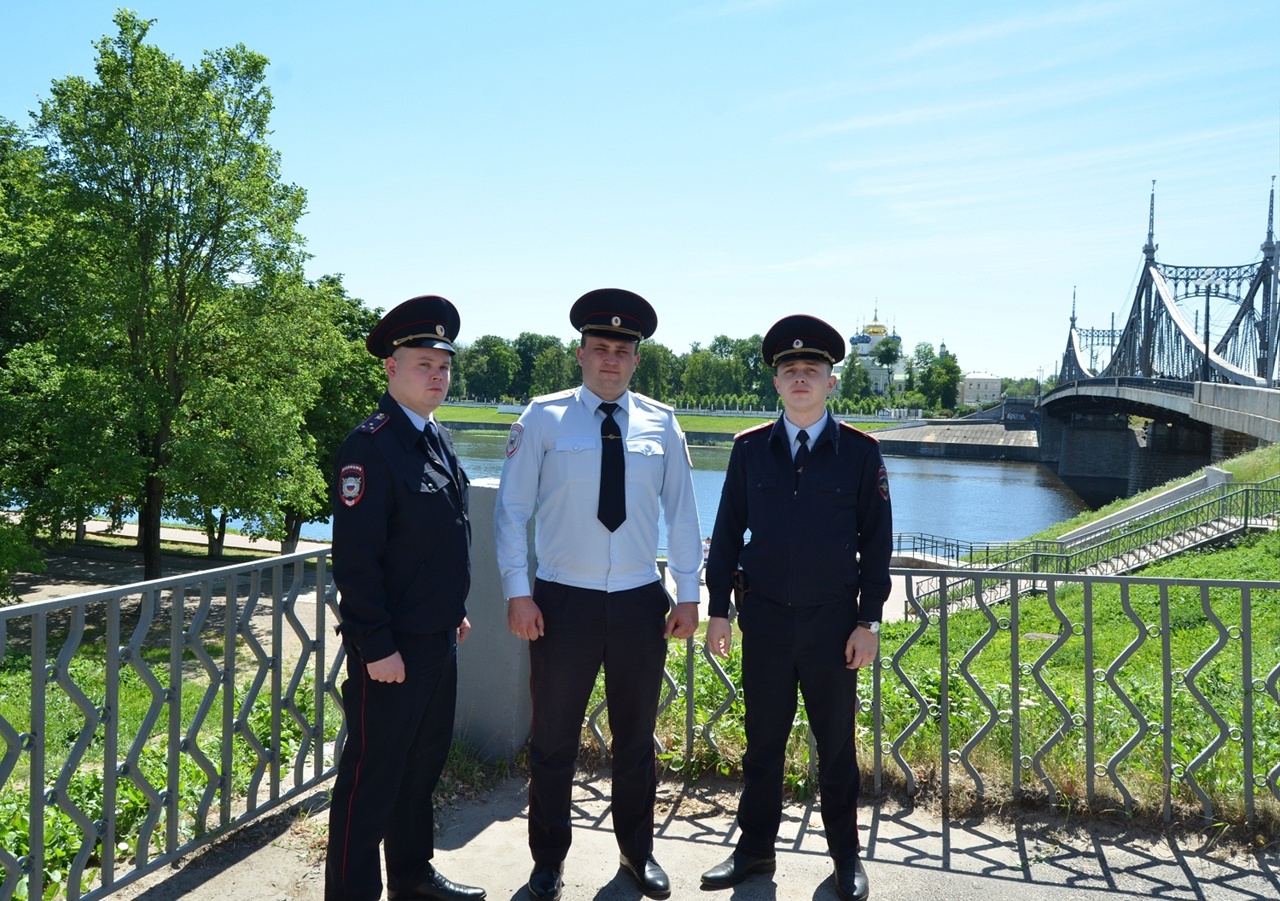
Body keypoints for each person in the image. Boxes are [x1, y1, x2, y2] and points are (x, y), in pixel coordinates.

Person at [494, 288, 702, 901]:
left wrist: (687, 595)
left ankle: (637, 855)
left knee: (636, 740)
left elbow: (684, 516)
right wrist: (516, 592)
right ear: (580, 353)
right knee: (554, 741)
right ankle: (547, 864)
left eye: (623, 350)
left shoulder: (662, 424)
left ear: (636, 360)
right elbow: (511, 513)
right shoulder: (542, 418)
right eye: (601, 347)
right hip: (562, 601)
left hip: (640, 600)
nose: (611, 358)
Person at [699, 315, 892, 901]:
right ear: (777, 383)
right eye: (790, 370)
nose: (801, 377)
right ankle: (754, 853)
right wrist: (718, 610)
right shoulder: (750, 450)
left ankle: (846, 861)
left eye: (812, 369)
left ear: (831, 382)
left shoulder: (860, 453)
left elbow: (877, 543)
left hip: (834, 627)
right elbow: (728, 532)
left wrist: (869, 621)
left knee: (835, 748)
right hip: (767, 622)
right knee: (763, 745)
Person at [325, 295, 485, 901]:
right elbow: (357, 562)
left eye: (444, 364)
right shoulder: (372, 445)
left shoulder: (434, 436)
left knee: (420, 772)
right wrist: (376, 644)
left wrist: (454, 610)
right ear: (391, 369)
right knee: (370, 783)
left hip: (436, 638)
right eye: (424, 363)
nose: (437, 375)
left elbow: (434, 540)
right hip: (390, 650)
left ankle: (413, 878)